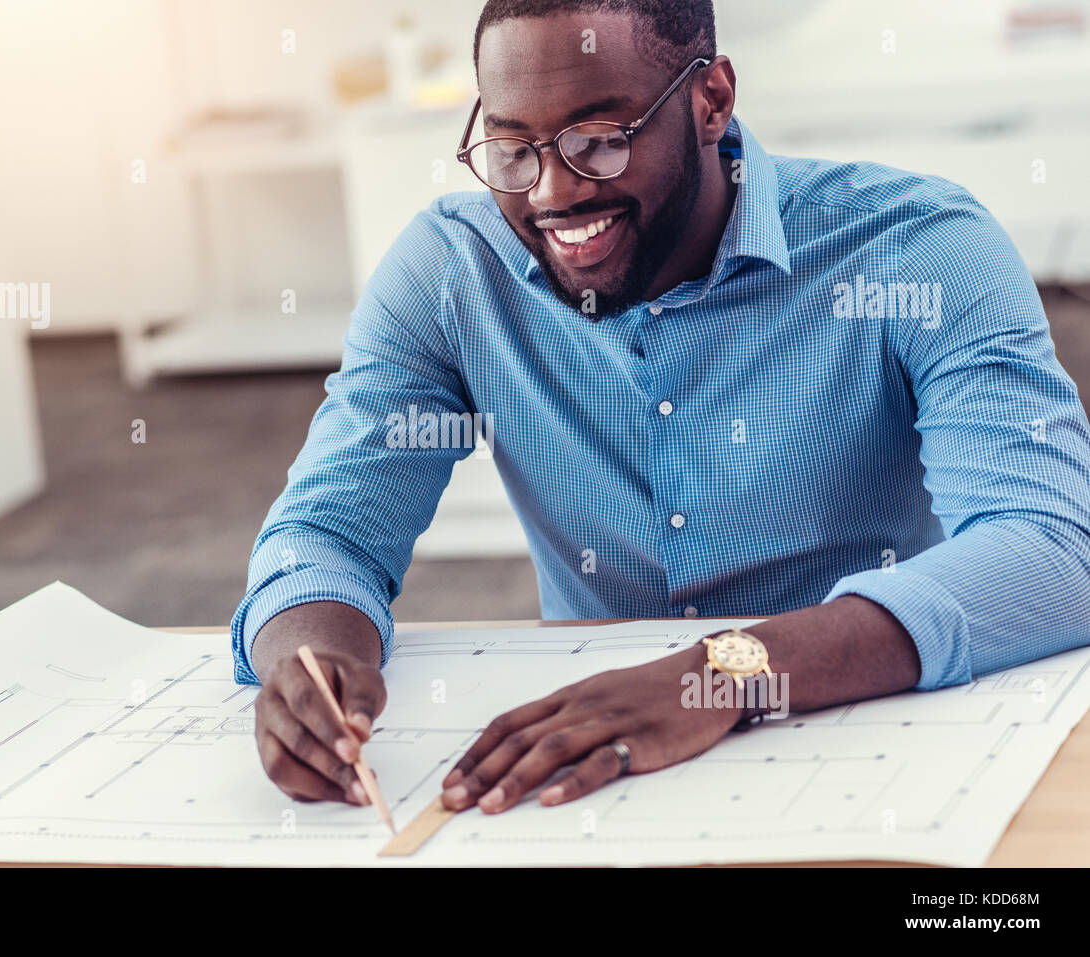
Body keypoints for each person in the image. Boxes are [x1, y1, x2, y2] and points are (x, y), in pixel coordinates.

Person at [231, 0, 1090, 816]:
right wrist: (311, 657)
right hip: (584, 775)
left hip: (866, 739)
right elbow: (326, 533)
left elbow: (1052, 549)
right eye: (513, 150)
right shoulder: (453, 274)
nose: (551, 195)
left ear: (711, 99)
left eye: (599, 141)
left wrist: (720, 676)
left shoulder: (920, 247)